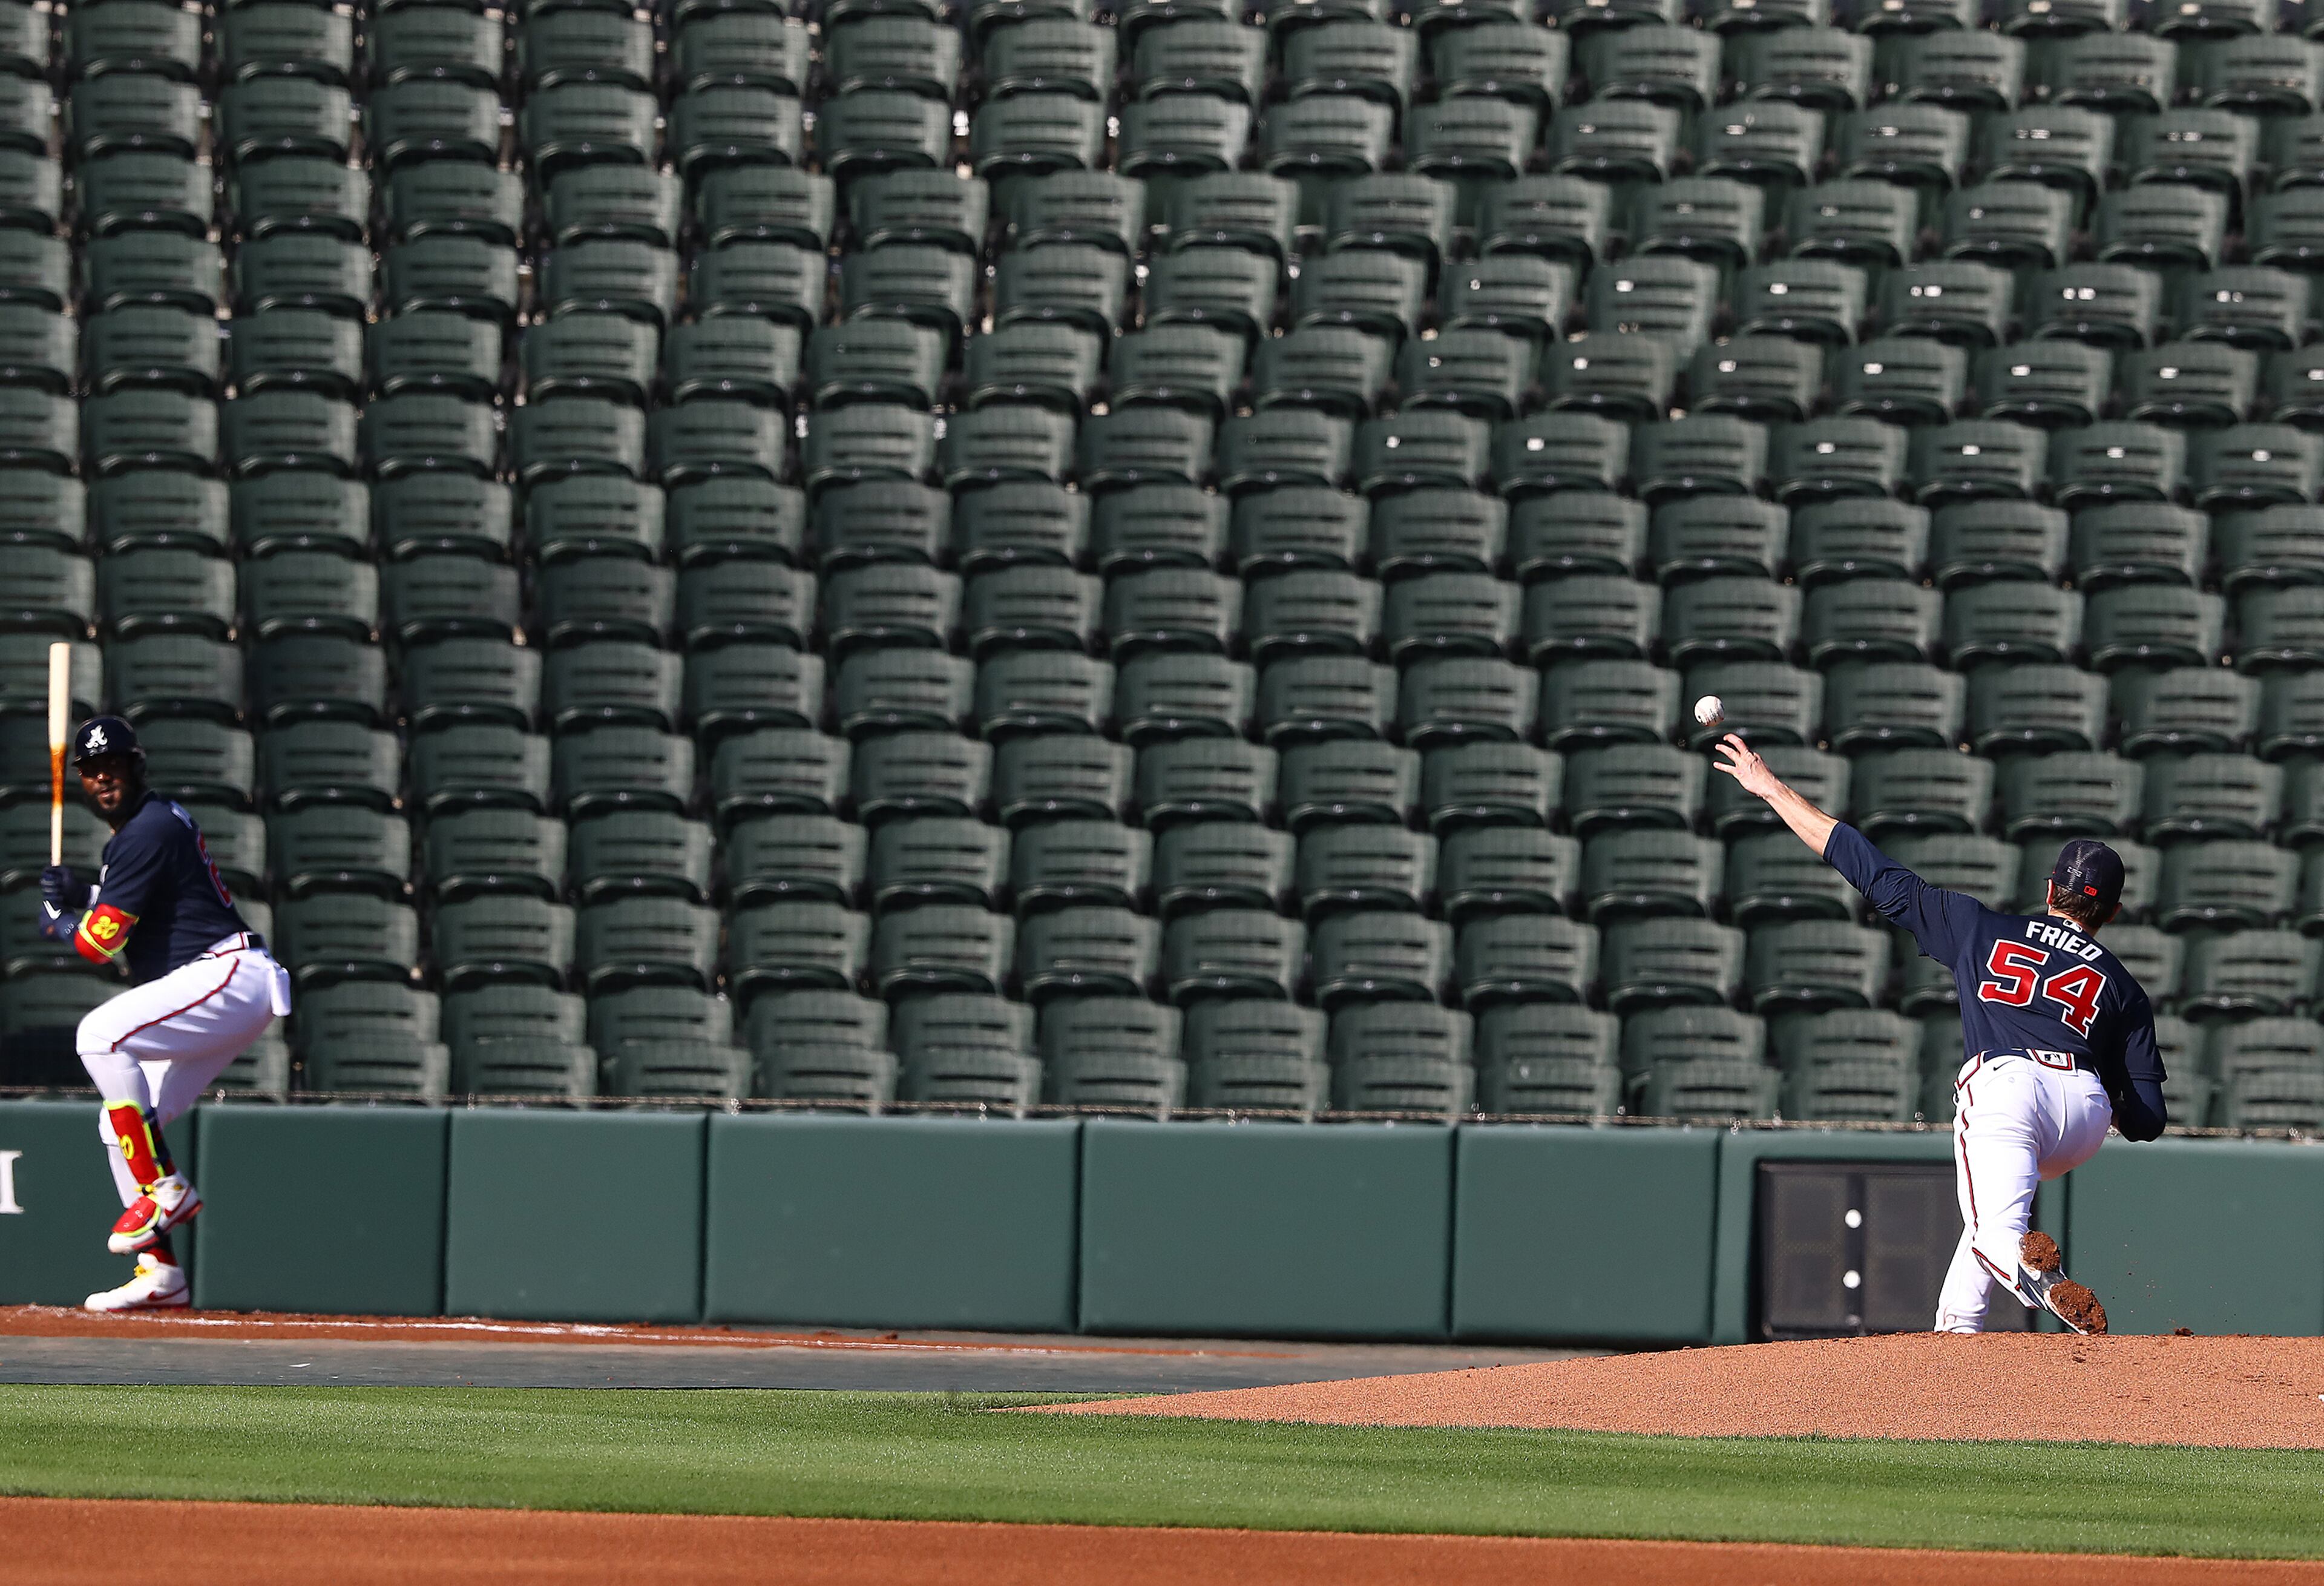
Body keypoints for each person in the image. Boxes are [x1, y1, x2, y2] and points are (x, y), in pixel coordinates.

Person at [1711, 733, 2167, 1335]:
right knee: (1986, 1220)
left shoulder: (1979, 926)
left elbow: (1872, 871)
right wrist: (2103, 1097)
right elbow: (2149, 1119)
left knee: (1996, 1233)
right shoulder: (2123, 986)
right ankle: (1956, 1338)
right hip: (2082, 1112)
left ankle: (2044, 1283)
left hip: (2009, 1091)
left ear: (2049, 890)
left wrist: (1771, 788)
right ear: (2109, 911)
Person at [38, 715, 287, 1313]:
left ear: (135, 765)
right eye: (93, 771)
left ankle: (164, 1186)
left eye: (114, 766)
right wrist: (85, 893)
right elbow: (143, 901)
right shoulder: (145, 830)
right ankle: (161, 1273)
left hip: (226, 972)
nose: (104, 779)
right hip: (211, 983)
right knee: (114, 1125)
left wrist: (59, 920)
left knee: (98, 1034)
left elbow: (99, 944)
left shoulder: (145, 829)